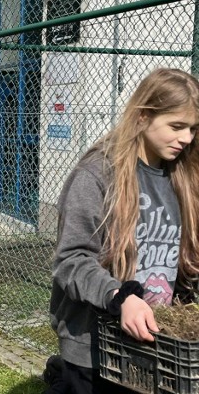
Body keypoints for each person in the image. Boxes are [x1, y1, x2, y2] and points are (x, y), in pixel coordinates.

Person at [46, 67, 199, 394]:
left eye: (192, 129)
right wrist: (120, 297)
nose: (186, 138)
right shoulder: (96, 175)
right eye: (176, 126)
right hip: (94, 344)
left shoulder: (184, 178)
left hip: (155, 343)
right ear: (143, 117)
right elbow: (71, 260)